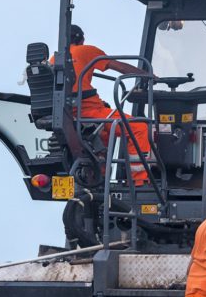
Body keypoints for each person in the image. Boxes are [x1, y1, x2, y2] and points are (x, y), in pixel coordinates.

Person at [63, 24, 153, 184]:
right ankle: (139, 182)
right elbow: (119, 66)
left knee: (103, 133)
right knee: (139, 127)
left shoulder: (55, 59)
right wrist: (148, 75)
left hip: (71, 115)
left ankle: (100, 178)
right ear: (81, 40)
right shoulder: (85, 50)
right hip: (88, 111)